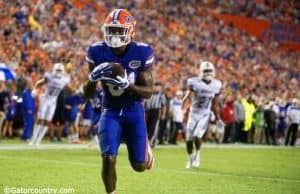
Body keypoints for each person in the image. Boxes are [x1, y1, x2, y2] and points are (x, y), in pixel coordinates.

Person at [83, 9, 156, 194]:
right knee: (108, 158)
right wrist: (91, 78)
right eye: (111, 30)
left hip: (134, 110)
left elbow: (149, 92)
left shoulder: (142, 52)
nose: (114, 34)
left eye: (118, 30)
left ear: (130, 31)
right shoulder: (96, 51)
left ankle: (145, 149)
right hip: (110, 111)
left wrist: (129, 86)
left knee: (139, 166)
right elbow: (87, 95)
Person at [183, 61, 222, 168]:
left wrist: (218, 118)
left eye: (210, 71)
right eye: (206, 71)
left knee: (197, 135)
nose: (208, 73)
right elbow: (189, 94)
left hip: (204, 113)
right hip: (193, 112)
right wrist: (185, 101)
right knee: (188, 139)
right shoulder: (194, 82)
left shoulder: (216, 84)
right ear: (201, 71)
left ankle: (198, 154)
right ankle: (190, 159)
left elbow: (215, 103)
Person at [29, 63, 71, 145]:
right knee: (40, 119)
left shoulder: (64, 79)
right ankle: (33, 139)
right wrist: (34, 89)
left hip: (53, 102)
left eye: (60, 70)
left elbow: (69, 85)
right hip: (45, 99)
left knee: (47, 121)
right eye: (57, 70)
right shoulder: (49, 76)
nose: (58, 72)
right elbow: (39, 83)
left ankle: (38, 140)